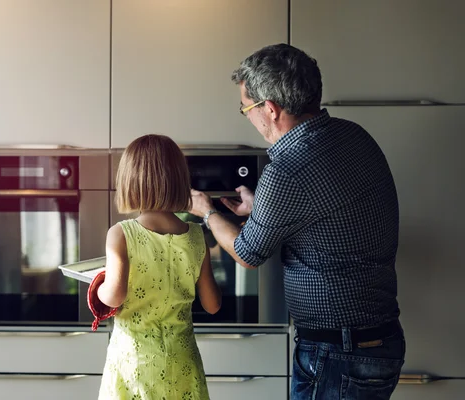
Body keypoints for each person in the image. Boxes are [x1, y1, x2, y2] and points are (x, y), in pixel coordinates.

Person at [189, 44, 406, 399]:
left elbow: (248, 254)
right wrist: (262, 207)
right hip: (381, 341)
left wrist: (207, 212)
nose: (247, 116)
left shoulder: (287, 170)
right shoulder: (354, 135)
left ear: (270, 109)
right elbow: (328, 211)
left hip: (337, 352)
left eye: (246, 107)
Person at [96, 134, 222, 400]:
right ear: (178, 179)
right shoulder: (197, 235)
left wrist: (99, 288)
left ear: (129, 181)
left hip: (136, 362)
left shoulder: (121, 234)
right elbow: (212, 305)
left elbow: (114, 296)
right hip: (183, 362)